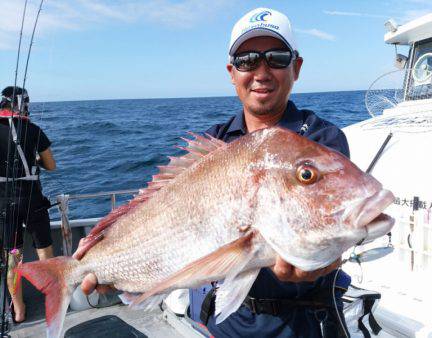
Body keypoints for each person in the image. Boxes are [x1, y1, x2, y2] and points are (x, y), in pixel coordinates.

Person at [77, 7, 351, 337]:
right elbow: (164, 220)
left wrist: (324, 263)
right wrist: (109, 257)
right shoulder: (214, 142)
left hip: (301, 324)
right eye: (247, 60)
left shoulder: (320, 141)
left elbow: (335, 233)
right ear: (232, 72)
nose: (261, 71)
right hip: (222, 322)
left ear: (297, 67)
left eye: (276, 58)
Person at [0, 86, 56, 323]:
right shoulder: (34, 130)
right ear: (22, 104)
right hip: (33, 201)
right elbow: (51, 165)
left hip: (4, 204)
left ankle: (19, 310)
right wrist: (33, 161)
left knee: (13, 256)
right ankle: (52, 299)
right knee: (45, 250)